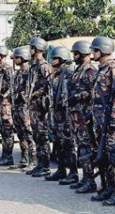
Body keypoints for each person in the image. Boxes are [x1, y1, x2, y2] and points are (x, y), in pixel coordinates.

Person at [89, 36, 115, 206]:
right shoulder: (101, 69)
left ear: (102, 50)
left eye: (95, 50)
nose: (92, 53)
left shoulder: (114, 69)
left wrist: (114, 119)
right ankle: (108, 188)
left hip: (111, 121)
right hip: (100, 121)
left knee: (114, 156)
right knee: (103, 156)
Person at [44, 47, 78, 185]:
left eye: (54, 58)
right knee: (58, 144)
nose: (51, 61)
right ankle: (61, 170)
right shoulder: (56, 75)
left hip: (66, 115)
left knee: (69, 144)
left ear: (61, 59)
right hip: (57, 115)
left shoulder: (69, 74)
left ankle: (73, 173)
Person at [68, 40, 97, 193]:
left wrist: (78, 96)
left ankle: (90, 181)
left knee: (86, 148)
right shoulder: (78, 69)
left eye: (75, 53)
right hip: (76, 115)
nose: (73, 56)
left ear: (82, 53)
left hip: (85, 115)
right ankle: (85, 178)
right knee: (81, 147)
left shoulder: (90, 70)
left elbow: (94, 91)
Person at [25, 37, 51, 177]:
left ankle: (45, 166)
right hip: (33, 107)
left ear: (37, 49)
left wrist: (36, 93)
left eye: (31, 48)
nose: (30, 50)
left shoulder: (43, 66)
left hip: (41, 107)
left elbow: (48, 86)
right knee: (36, 136)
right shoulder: (33, 66)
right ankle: (40, 164)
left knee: (42, 136)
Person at [10, 46, 37, 170]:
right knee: (21, 134)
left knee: (29, 134)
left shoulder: (30, 72)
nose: (14, 60)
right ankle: (24, 159)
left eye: (16, 58)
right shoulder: (17, 73)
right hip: (17, 107)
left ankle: (33, 161)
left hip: (25, 108)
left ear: (23, 58)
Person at [0, 45, 15, 166]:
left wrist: (4, 96)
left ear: (1, 55)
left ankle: (8, 156)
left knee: (7, 130)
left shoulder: (7, 68)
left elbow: (12, 85)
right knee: (1, 130)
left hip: (5, 104)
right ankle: (4, 155)